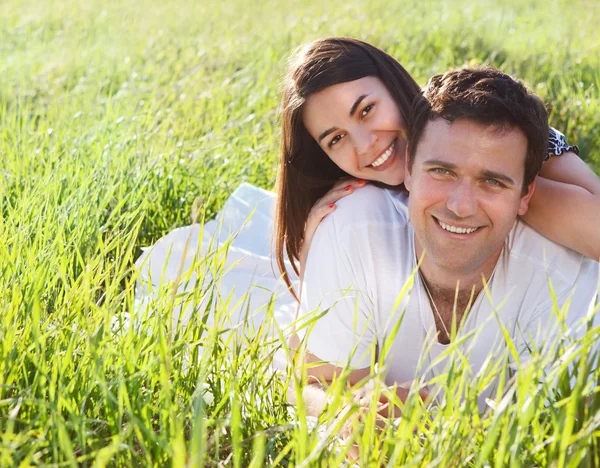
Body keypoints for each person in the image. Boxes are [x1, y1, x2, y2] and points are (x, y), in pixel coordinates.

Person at [135, 37, 600, 341]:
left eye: (366, 111)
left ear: (397, 86)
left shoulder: (485, 142)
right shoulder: (356, 198)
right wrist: (316, 239)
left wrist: (490, 189)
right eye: (336, 139)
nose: (366, 145)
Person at [292, 66, 599, 414]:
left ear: (526, 194)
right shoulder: (353, 223)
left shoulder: (561, 273)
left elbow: (556, 431)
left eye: (493, 181)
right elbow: (315, 384)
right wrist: (351, 417)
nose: (460, 206)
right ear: (409, 165)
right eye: (442, 171)